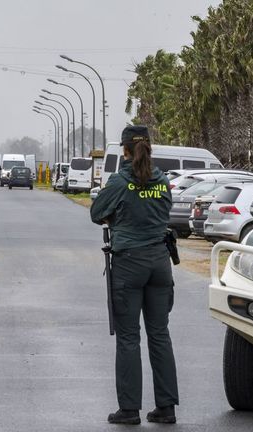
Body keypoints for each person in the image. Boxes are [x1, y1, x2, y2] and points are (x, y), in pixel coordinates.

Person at [90, 125, 179, 425]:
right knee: (160, 334)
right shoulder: (163, 180)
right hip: (160, 262)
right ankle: (166, 407)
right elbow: (164, 212)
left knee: (129, 337)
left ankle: (129, 409)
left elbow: (96, 212)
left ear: (125, 150)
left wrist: (116, 217)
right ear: (149, 148)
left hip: (129, 263)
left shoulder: (119, 181)